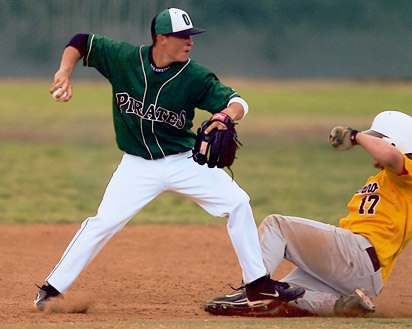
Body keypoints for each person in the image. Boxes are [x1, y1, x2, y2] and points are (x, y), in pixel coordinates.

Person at [34, 8, 304, 311]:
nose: (189, 42)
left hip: (184, 162)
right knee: (103, 222)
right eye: (182, 36)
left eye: (191, 36)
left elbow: (237, 101)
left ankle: (257, 285)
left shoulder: (195, 76)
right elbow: (81, 41)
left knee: (238, 202)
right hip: (136, 166)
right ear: (161, 39)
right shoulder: (125, 59)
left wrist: (225, 115)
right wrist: (64, 71)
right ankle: (52, 289)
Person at [204, 110, 412, 317]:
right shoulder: (384, 177)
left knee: (276, 225)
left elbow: (390, 155)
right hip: (362, 278)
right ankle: (342, 305)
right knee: (280, 293)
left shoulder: (406, 173)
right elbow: (388, 155)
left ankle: (251, 291)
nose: (370, 146)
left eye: (376, 139)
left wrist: (355, 136)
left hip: (358, 255)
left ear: (395, 143)